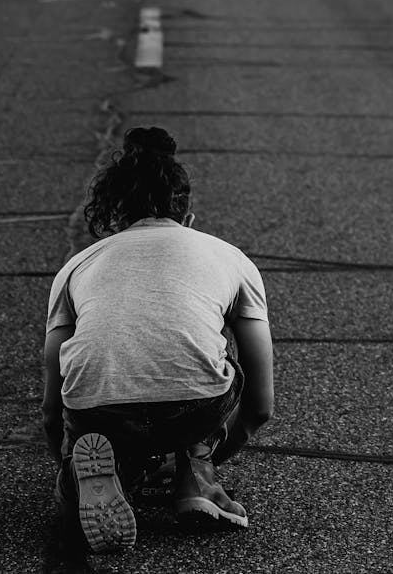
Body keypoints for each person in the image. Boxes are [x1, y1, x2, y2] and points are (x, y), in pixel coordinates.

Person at [42, 126, 274, 554]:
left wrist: (67, 450)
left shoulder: (77, 266)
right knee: (223, 364)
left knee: (98, 421)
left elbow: (51, 404)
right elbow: (260, 406)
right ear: (188, 218)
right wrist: (214, 456)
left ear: (115, 219)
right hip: (194, 409)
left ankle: (95, 474)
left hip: (99, 408)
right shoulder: (231, 258)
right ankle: (195, 476)